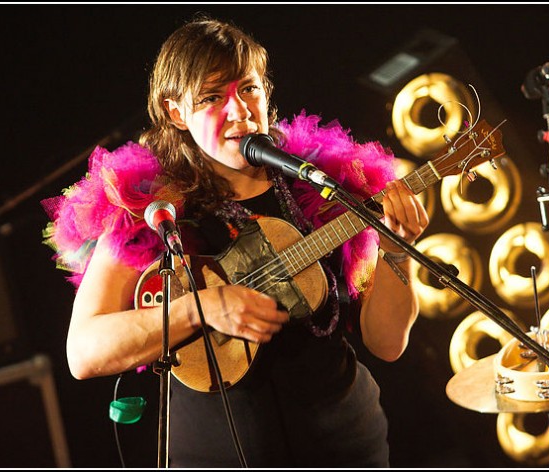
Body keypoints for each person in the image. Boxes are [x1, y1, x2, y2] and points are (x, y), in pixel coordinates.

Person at [42, 15, 429, 468]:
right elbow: (83, 352)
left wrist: (398, 249)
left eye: (248, 88)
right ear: (175, 112)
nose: (239, 111)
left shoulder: (321, 187)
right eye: (211, 97)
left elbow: (386, 344)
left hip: (350, 447)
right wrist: (200, 309)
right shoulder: (153, 210)